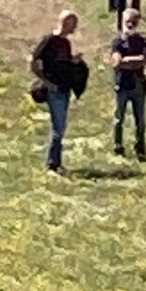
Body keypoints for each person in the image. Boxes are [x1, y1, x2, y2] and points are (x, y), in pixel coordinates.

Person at [31, 11, 83, 174]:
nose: (75, 28)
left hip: (64, 88)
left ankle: (56, 161)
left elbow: (63, 64)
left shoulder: (65, 43)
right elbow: (35, 63)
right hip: (54, 89)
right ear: (65, 23)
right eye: (73, 24)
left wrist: (73, 61)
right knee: (58, 127)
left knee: (61, 126)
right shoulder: (49, 41)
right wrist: (47, 82)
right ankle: (53, 163)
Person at [111, 8, 146, 161]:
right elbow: (116, 62)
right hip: (122, 84)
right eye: (128, 21)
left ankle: (140, 147)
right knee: (119, 117)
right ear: (123, 22)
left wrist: (127, 61)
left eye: (134, 22)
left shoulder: (143, 41)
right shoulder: (118, 42)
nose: (131, 25)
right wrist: (136, 61)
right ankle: (118, 145)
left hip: (139, 85)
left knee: (140, 120)